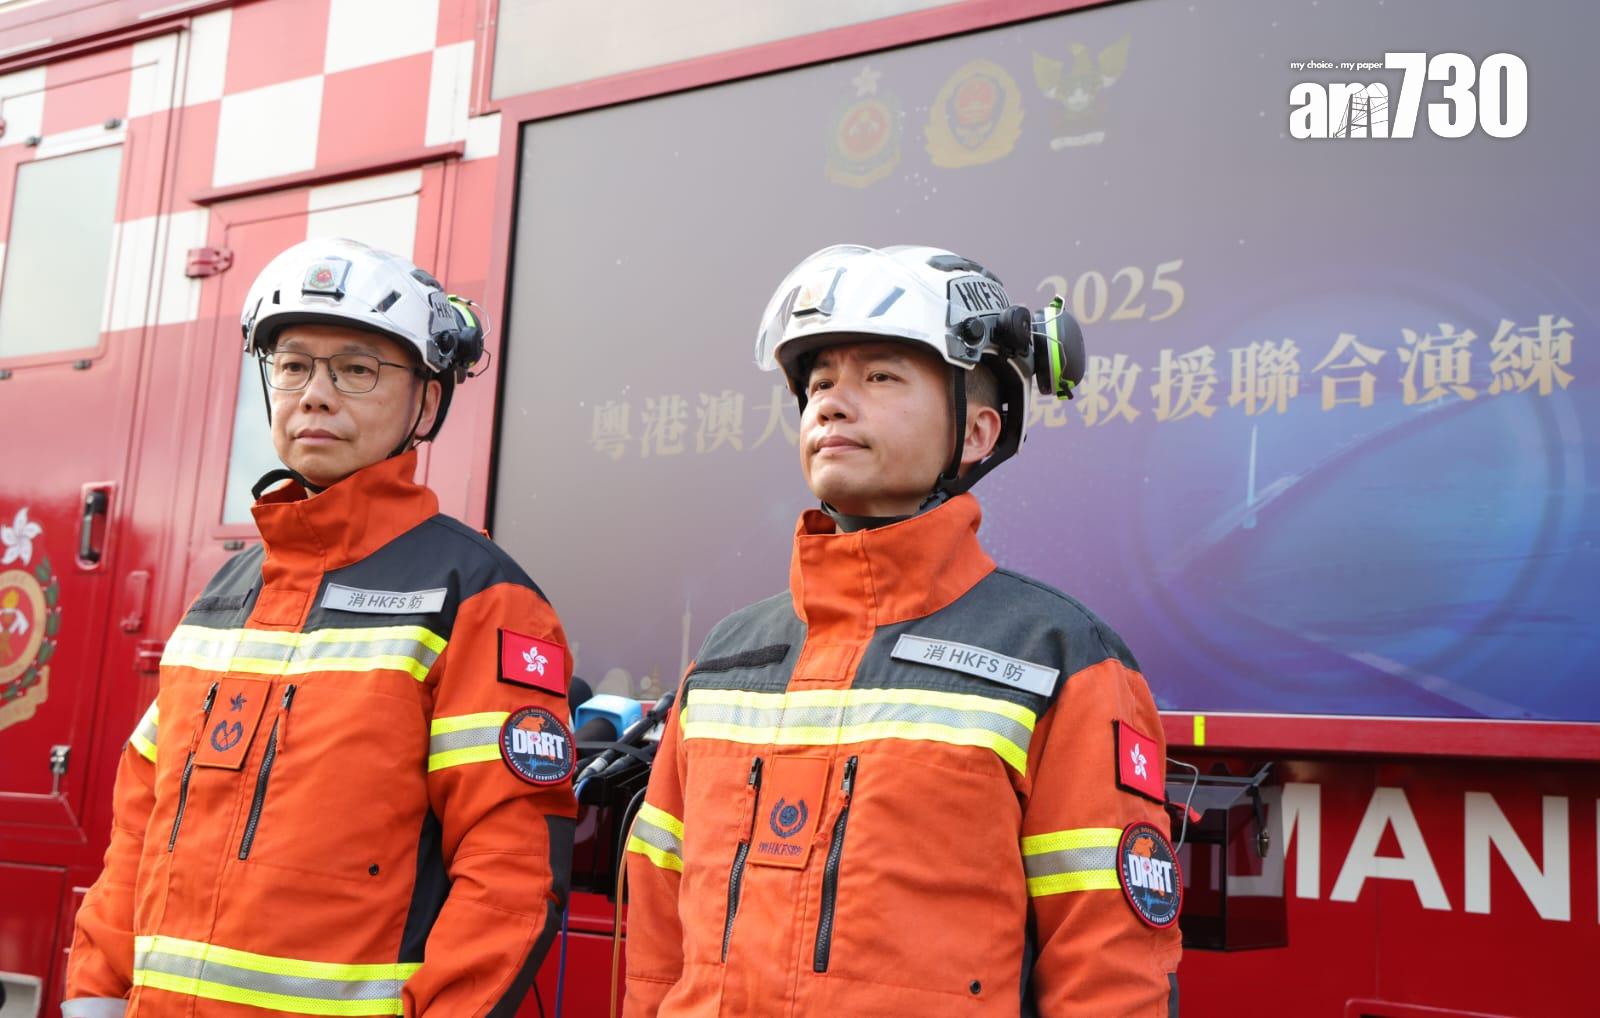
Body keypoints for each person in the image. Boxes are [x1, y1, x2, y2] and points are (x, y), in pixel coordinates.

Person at [623, 244, 1182, 1015]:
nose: (831, 403)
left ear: (979, 432)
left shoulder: (1061, 662)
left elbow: (1111, 974)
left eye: (880, 377)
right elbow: (658, 938)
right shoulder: (726, 660)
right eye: (819, 382)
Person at [64, 239, 576, 1018]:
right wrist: (95, 998)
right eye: (294, 365)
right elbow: (139, 826)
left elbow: (509, 878)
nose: (315, 394)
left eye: (357, 369)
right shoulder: (223, 598)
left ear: (427, 403)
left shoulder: (479, 600)